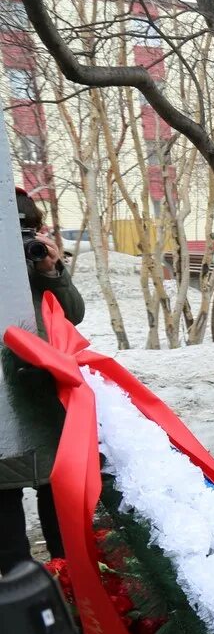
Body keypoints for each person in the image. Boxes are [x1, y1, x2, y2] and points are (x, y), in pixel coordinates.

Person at [0, 189, 85, 574]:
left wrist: (52, 271)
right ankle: (26, 598)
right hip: (4, 398)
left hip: (46, 393)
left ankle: (73, 584)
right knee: (4, 504)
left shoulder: (37, 265)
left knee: (59, 494)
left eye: (28, 233)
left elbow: (74, 315)